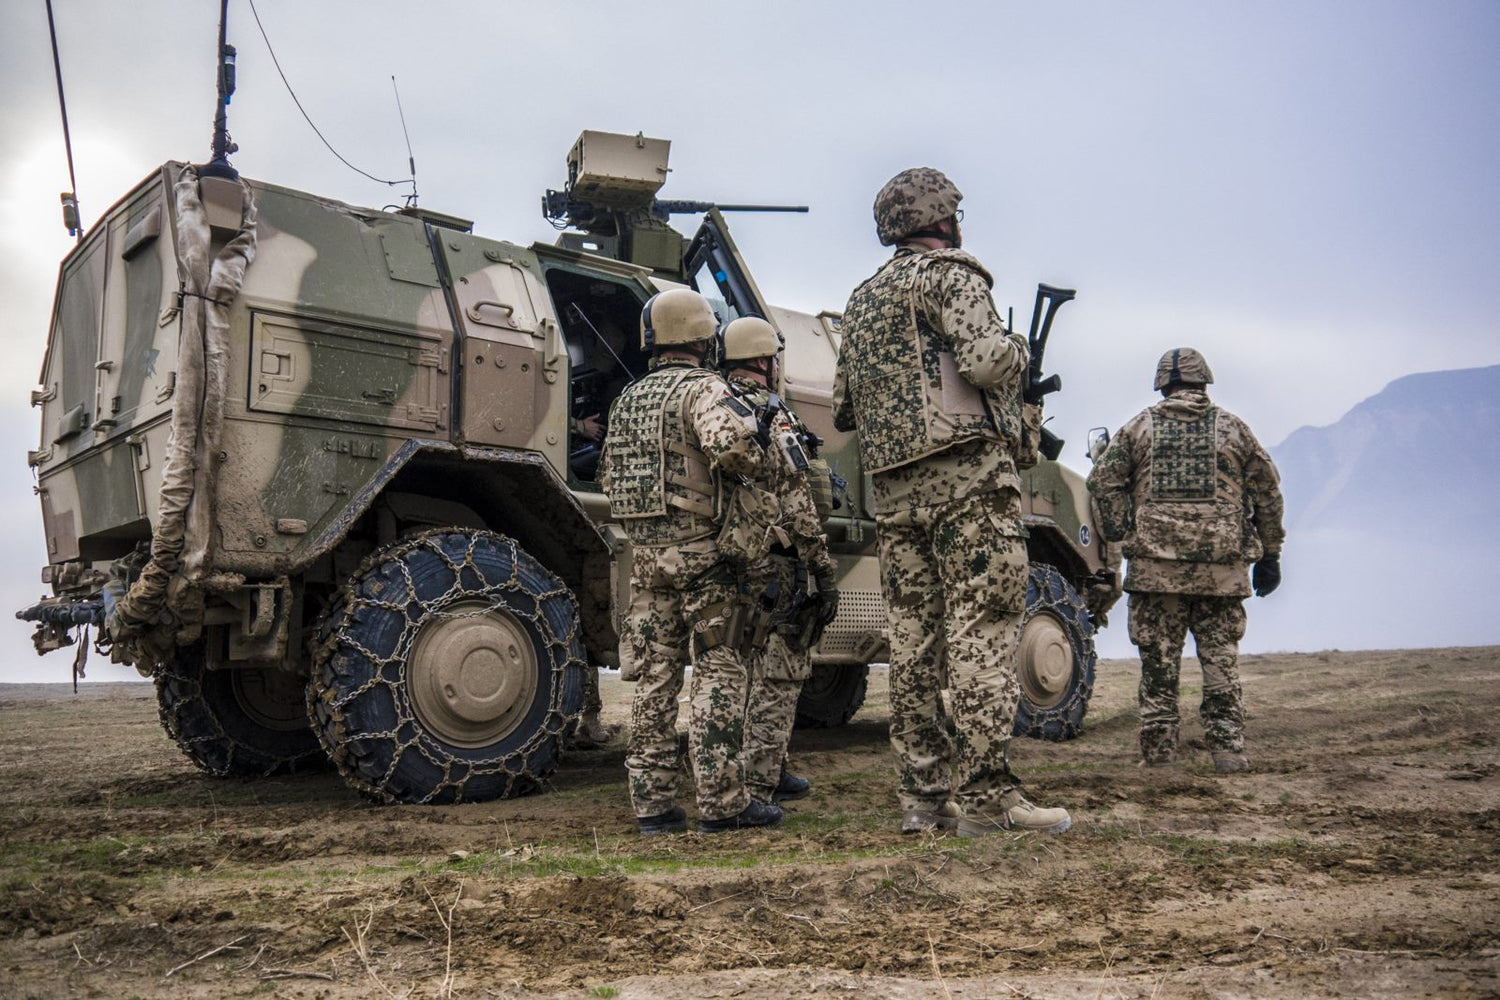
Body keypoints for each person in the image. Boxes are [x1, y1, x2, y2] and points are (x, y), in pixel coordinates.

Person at [831, 167, 1072, 837]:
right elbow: (989, 363)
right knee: (982, 636)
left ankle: (925, 802)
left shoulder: (861, 301)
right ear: (942, 217)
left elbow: (846, 406)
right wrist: (1020, 351)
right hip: (968, 484)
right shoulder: (951, 278)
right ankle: (994, 802)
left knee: (913, 646)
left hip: (898, 494)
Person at [599, 288, 783, 834]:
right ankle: (723, 802)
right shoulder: (705, 389)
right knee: (718, 671)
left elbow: (610, 476)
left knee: (655, 679)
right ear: (703, 338)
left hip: (647, 558)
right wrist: (761, 447)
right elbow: (735, 451)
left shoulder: (627, 399)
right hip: (706, 558)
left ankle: (652, 804)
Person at [1085, 348, 1285, 772]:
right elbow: (1268, 492)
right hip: (1222, 572)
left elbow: (1103, 480)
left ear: (1163, 385)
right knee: (1220, 660)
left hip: (1156, 574)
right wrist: (1271, 554)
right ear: (1205, 383)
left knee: (1158, 664)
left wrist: (1125, 530)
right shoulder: (1234, 430)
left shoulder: (1139, 429)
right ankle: (1228, 750)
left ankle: (1158, 755)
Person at [720, 316, 840, 807]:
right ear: (765, 361)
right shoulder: (773, 413)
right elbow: (797, 499)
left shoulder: (713, 404)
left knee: (740, 669)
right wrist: (823, 569)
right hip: (776, 561)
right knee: (780, 673)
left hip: (730, 559)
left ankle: (764, 764)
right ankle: (759, 784)